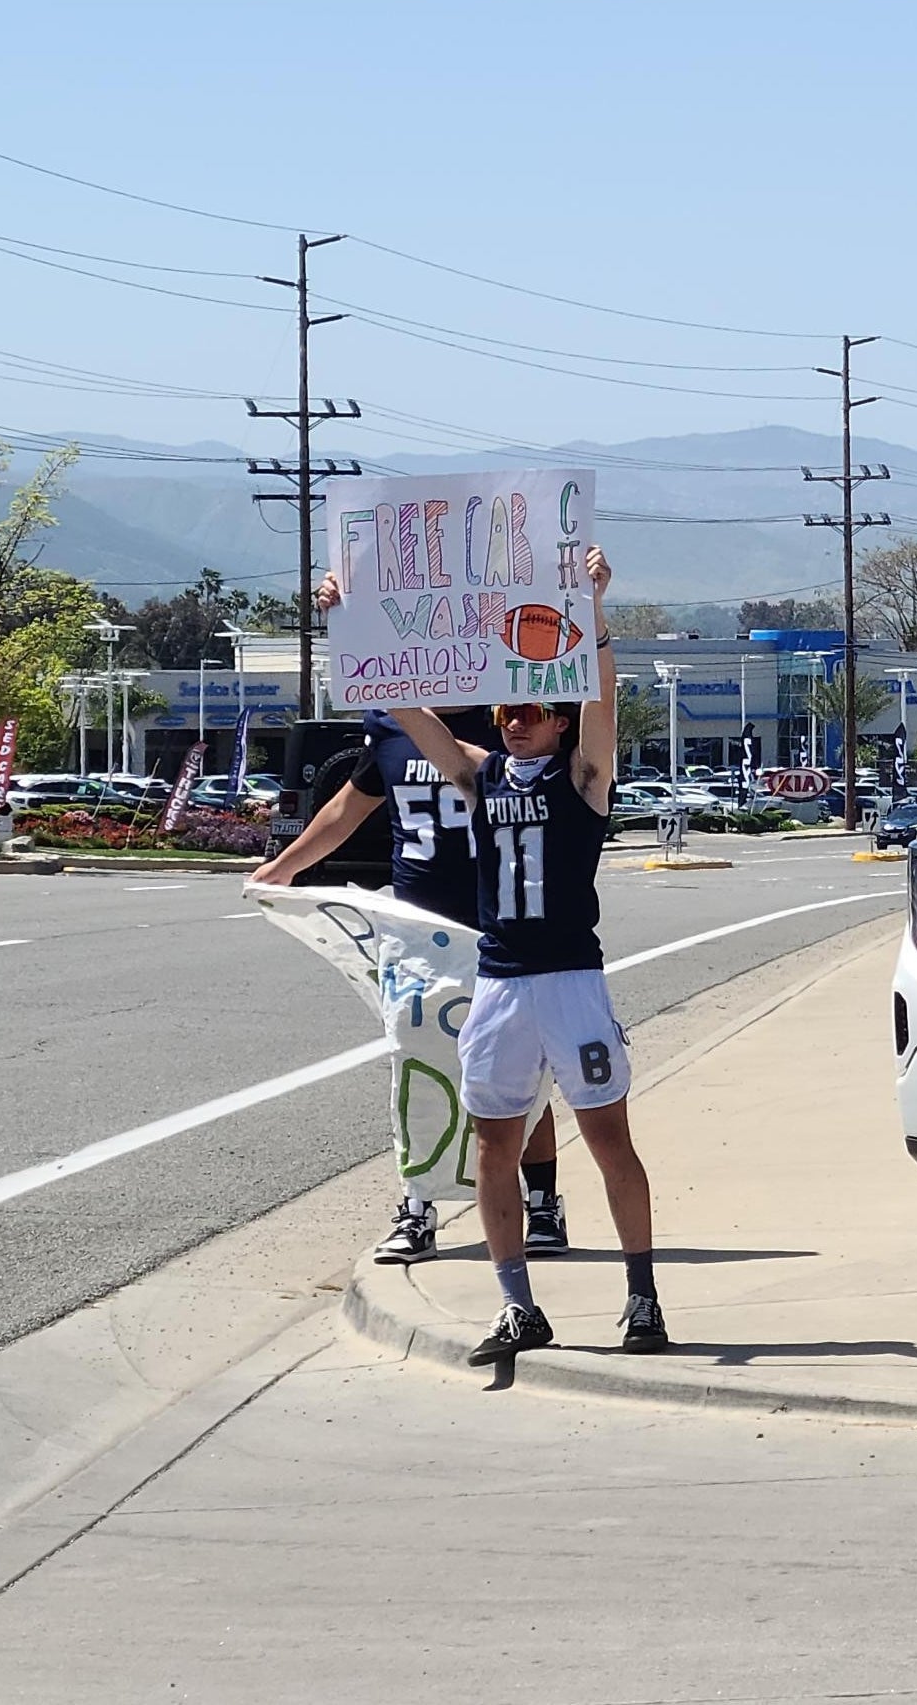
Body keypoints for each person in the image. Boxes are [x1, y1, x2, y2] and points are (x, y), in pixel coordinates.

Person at [391, 547, 667, 1365]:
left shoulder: (582, 776)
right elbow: (410, 711)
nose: (514, 721)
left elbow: (603, 699)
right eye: (506, 711)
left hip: (571, 980)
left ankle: (643, 1296)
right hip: (501, 980)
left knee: (609, 1137)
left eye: (530, 712)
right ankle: (517, 1306)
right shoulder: (478, 776)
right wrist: (346, 618)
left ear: (556, 720)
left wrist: (594, 607)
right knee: (493, 1147)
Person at [251, 694, 572, 1268]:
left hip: (498, 917)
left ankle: (543, 1201)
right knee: (417, 1066)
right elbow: (348, 807)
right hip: (419, 927)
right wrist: (285, 866)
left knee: (520, 1067)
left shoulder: (505, 717)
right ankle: (419, 1204)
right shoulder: (392, 723)